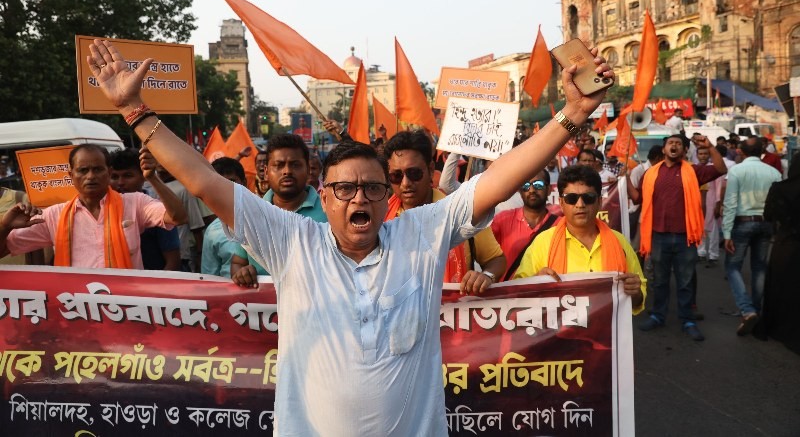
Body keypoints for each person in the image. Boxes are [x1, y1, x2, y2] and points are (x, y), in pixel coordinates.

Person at [86, 38, 612, 436]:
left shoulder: (420, 235)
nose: (358, 198)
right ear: (326, 194)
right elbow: (205, 182)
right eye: (344, 189)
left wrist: (573, 116)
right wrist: (136, 113)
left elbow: (500, 179)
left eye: (371, 188)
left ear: (389, 198)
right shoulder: (294, 243)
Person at [0, 144, 183, 268]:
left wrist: (153, 178)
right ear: (71, 175)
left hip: (128, 311)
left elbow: (178, 217)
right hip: (78, 313)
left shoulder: (135, 203)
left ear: (108, 172)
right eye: (83, 170)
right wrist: (4, 226)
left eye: (97, 169)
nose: (90, 176)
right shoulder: (55, 215)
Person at [627, 134, 727, 341]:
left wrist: (710, 147)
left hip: (685, 238)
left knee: (685, 282)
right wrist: (624, 178)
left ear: (684, 150)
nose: (674, 146)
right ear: (664, 150)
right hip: (658, 237)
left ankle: (687, 320)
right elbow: (637, 198)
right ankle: (657, 316)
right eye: (670, 143)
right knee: (660, 281)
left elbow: (721, 169)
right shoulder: (650, 174)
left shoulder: (693, 171)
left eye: (678, 144)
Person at [383, 130, 506, 295]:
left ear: (431, 169)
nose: (405, 183)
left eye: (414, 174)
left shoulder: (463, 211)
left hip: (451, 316)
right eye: (396, 176)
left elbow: (496, 260)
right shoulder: (380, 219)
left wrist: (486, 276)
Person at [514, 165, 646, 313]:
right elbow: (517, 293)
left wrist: (635, 293)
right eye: (571, 198)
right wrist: (536, 282)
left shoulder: (619, 241)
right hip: (557, 335)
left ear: (599, 202)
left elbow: (639, 294)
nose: (580, 204)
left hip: (607, 334)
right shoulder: (543, 242)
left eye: (588, 198)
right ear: (561, 203)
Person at [232, 134, 327, 286]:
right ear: (266, 171)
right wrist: (242, 273)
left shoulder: (329, 210)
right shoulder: (250, 214)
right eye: (279, 165)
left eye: (295, 165)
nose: (287, 171)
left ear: (308, 169)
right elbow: (238, 263)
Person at [721, 136, 782, 336]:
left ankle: (747, 310)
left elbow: (730, 203)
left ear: (741, 152)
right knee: (759, 268)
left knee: (732, 267)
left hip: (743, 223)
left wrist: (727, 232)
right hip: (765, 223)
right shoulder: (774, 172)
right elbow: (777, 203)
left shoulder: (737, 171)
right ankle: (755, 310)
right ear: (761, 151)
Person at [108, 147, 185, 270]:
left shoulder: (157, 210)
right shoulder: (104, 209)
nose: (120, 182)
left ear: (143, 177)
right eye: (114, 177)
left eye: (128, 176)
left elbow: (173, 262)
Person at [754, 152, 800, 354]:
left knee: (782, 289)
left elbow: (769, 215)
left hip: (787, 246)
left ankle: (779, 327)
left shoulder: (781, 189)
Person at [491, 169, 560, 280]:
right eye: (526, 185)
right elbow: (483, 253)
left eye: (538, 185)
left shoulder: (560, 225)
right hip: (507, 294)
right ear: (520, 191)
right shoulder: (502, 220)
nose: (531, 190)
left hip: (546, 294)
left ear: (549, 190)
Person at [202, 157, 250, 278]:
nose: (226, 188)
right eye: (220, 183)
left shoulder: (266, 218)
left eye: (232, 181)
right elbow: (209, 278)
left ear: (244, 183)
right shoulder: (212, 231)